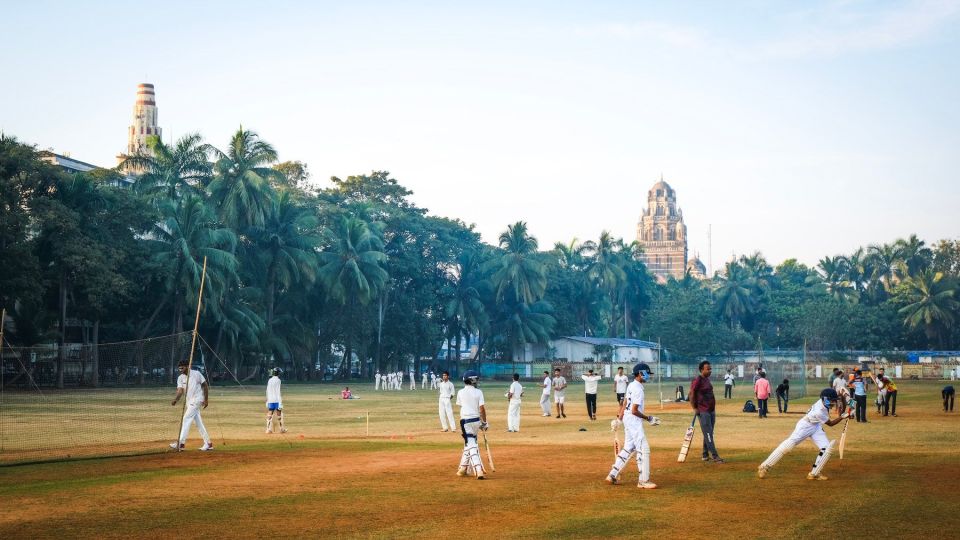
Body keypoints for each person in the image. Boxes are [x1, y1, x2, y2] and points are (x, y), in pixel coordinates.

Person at [758, 388, 848, 480]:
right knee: (788, 446)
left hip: (816, 426)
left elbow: (841, 409)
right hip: (805, 426)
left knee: (826, 448)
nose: (833, 403)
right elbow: (831, 424)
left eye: (833, 400)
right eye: (831, 400)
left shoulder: (824, 401)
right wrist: (843, 416)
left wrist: (843, 398)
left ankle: (814, 473)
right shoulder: (819, 411)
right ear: (825, 399)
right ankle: (764, 466)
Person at [605, 362, 661, 489]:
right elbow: (634, 410)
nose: (648, 376)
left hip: (628, 419)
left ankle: (612, 474)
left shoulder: (631, 385)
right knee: (643, 448)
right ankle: (643, 481)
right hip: (634, 420)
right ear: (640, 373)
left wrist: (619, 419)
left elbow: (624, 403)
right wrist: (649, 418)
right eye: (647, 373)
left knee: (629, 448)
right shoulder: (638, 389)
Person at [169, 360, 213, 451]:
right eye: (179, 368)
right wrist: (176, 400)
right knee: (198, 423)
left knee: (186, 419)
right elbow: (180, 391)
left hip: (197, 400)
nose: (181, 370)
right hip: (189, 403)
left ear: (187, 366)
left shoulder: (196, 374)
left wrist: (206, 399)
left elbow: (205, 385)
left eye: (182, 367)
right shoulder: (180, 378)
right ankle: (208, 443)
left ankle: (181, 443)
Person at [455, 370, 488, 480]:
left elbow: (461, 406)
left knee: (471, 443)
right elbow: (482, 408)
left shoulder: (460, 392)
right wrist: (484, 422)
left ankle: (478, 470)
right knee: (470, 443)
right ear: (472, 380)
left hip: (466, 421)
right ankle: (463, 469)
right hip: (476, 420)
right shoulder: (479, 392)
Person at [689, 360, 723, 463]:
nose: (710, 371)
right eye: (708, 369)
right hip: (703, 411)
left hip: (711, 410)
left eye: (710, 369)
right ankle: (715, 456)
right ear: (701, 370)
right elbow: (691, 394)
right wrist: (694, 408)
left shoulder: (707, 380)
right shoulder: (698, 380)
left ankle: (704, 454)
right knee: (708, 433)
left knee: (708, 432)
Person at [265, 367, 286, 434]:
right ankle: (281, 429)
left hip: (270, 399)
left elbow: (267, 390)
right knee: (279, 414)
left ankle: (268, 429)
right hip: (277, 399)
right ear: (278, 373)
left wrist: (267, 400)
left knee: (270, 414)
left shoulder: (269, 380)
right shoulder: (278, 380)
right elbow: (278, 391)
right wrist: (280, 402)